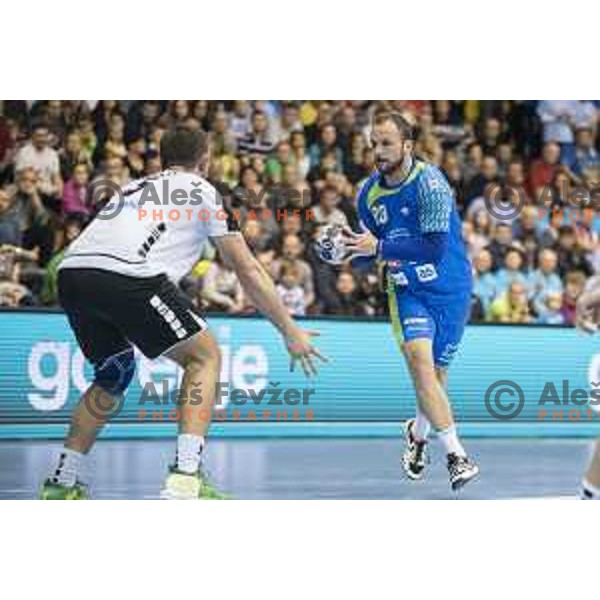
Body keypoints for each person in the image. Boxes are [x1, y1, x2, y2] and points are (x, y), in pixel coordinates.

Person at [39, 128, 327, 500]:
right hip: (128, 274)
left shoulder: (132, 187)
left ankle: (62, 481)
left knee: (114, 372)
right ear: (205, 161)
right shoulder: (202, 189)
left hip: (72, 274)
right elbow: (248, 270)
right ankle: (186, 476)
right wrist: (290, 330)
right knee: (204, 357)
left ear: (162, 158)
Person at [342, 110, 479, 491]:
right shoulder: (367, 195)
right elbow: (375, 247)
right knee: (421, 367)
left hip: (450, 288)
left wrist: (379, 246)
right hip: (407, 290)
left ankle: (418, 438)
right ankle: (457, 456)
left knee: (434, 380)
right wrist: (349, 249)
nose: (379, 150)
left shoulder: (431, 183)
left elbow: (433, 249)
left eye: (386, 143)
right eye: (374, 143)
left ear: (407, 145)